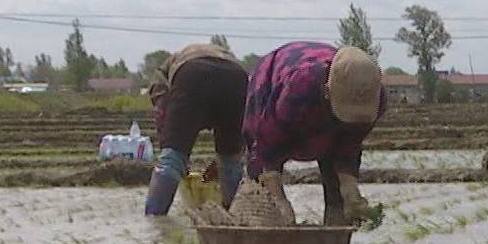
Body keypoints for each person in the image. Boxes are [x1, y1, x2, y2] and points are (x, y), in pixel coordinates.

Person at [242, 42, 385, 226]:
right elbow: (267, 143)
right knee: (265, 200)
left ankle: (335, 235)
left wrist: (350, 190)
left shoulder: (374, 95)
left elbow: (349, 145)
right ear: (327, 91)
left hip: (318, 100)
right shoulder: (298, 88)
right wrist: (276, 196)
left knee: (339, 198)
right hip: (276, 79)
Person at [144, 42, 249, 216]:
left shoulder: (162, 74)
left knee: (171, 160)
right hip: (237, 77)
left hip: (193, 75)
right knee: (231, 163)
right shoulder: (225, 57)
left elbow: (161, 113)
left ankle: (154, 219)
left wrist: (173, 148)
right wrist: (224, 162)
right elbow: (243, 128)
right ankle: (235, 219)